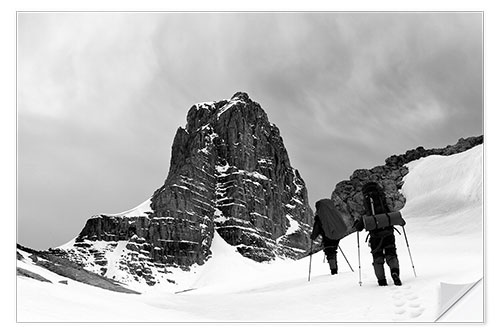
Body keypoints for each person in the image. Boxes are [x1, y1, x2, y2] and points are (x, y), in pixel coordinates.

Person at [354, 182, 402, 286]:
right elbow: (392, 211)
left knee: (378, 258)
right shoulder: (383, 198)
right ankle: (394, 272)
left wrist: (358, 224)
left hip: (375, 235)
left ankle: (382, 281)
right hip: (388, 231)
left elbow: (360, 224)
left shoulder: (366, 202)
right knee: (391, 254)